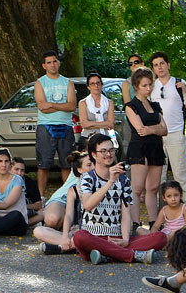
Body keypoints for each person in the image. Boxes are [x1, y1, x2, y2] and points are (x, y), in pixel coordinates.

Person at [73, 133, 165, 265]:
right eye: (103, 151)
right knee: (79, 236)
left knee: (160, 238)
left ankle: (107, 255)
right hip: (93, 237)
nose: (109, 154)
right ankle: (132, 255)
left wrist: (126, 239)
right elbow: (88, 205)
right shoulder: (87, 178)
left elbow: (126, 215)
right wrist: (110, 182)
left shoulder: (123, 179)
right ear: (94, 154)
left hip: (116, 238)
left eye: (111, 150)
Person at [125, 67, 168, 226]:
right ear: (136, 86)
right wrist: (155, 129)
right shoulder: (131, 106)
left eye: (150, 85)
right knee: (137, 188)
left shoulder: (155, 106)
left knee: (153, 188)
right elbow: (140, 129)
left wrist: (151, 129)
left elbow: (165, 130)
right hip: (139, 148)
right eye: (144, 85)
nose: (148, 88)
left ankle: (153, 223)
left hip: (155, 148)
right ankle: (135, 223)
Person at [149, 51, 186, 205]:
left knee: (180, 174)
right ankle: (162, 211)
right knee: (159, 176)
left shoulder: (179, 83)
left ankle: (185, 208)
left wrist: (185, 90)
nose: (159, 67)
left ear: (168, 64)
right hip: (157, 136)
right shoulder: (152, 86)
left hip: (175, 133)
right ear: (153, 69)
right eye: (155, 65)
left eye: (161, 63)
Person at [34, 50, 77, 195]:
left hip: (65, 126)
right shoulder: (40, 83)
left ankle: (67, 196)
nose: (52, 65)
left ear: (58, 62)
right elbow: (42, 107)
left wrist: (51, 105)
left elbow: (71, 106)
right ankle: (41, 198)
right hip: (45, 127)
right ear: (44, 65)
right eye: (49, 62)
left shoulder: (67, 82)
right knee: (44, 165)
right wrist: (61, 106)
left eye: (55, 61)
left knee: (66, 165)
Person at [33, 150, 91, 255]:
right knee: (38, 231)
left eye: (94, 164)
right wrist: (65, 236)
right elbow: (69, 215)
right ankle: (73, 245)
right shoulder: (73, 190)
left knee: (81, 235)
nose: (93, 167)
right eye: (89, 165)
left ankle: (63, 247)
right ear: (79, 169)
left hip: (90, 231)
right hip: (74, 231)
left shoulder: (101, 185)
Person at [77, 71, 115, 144]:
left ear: (101, 84)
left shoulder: (110, 103)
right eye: (92, 84)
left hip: (105, 138)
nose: (96, 86)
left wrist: (90, 123)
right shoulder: (83, 103)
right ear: (88, 87)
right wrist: (104, 124)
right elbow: (84, 124)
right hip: (87, 139)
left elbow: (111, 124)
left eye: (98, 83)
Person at [11, 157, 43, 225]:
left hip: (26, 211)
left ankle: (23, 224)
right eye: (16, 169)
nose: (19, 173)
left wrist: (23, 206)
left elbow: (39, 205)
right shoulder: (3, 181)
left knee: (44, 213)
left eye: (22, 170)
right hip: (8, 212)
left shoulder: (30, 182)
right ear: (9, 169)